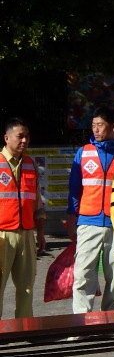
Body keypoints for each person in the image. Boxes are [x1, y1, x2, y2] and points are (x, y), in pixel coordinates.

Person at [67, 106, 114, 313]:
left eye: (100, 125)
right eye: (93, 125)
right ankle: (81, 320)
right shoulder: (83, 152)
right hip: (88, 222)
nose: (96, 129)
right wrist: (72, 218)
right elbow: (74, 189)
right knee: (83, 274)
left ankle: (112, 320)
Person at [0, 117, 46, 319]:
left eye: (27, 136)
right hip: (2, 236)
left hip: (27, 234)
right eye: (20, 136)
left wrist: (40, 233)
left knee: (26, 286)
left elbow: (37, 204)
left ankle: (25, 329)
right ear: (7, 138)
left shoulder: (30, 165)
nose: (25, 140)